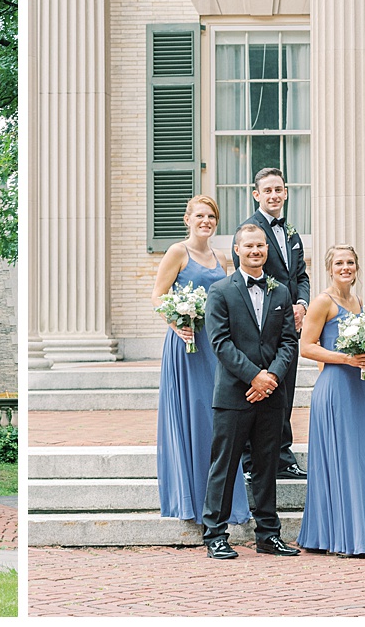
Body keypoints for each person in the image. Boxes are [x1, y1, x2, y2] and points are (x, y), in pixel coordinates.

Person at [198, 224, 300, 560]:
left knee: (267, 465)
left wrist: (270, 377)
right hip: (233, 394)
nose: (256, 251)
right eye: (249, 246)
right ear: (237, 250)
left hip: (272, 393)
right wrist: (254, 376)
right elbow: (220, 343)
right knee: (224, 466)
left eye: (261, 245)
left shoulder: (281, 292)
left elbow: (288, 342)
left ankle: (268, 535)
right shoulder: (221, 291)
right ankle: (215, 534)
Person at [294, 244, 365, 558]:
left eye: (350, 262)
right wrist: (344, 358)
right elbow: (307, 347)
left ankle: (363, 532)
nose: (345, 268)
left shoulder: (357, 302)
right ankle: (340, 536)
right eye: (339, 263)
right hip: (334, 388)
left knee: (361, 460)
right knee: (341, 460)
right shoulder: (322, 302)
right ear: (329, 268)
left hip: (356, 388)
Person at [151, 195, 247, 526]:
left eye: (211, 217)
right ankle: (190, 501)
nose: (205, 221)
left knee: (216, 417)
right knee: (191, 416)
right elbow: (157, 296)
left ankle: (220, 499)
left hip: (215, 346)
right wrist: (177, 322)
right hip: (186, 343)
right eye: (200, 216)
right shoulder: (178, 252)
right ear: (187, 219)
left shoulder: (222, 258)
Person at [232, 168, 308, 482]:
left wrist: (302, 304)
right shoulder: (248, 231)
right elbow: (245, 281)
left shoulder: (291, 232)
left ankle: (282, 456)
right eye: (268, 191)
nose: (274, 195)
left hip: (291, 326)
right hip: (262, 325)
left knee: (285, 390)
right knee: (260, 388)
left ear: (286, 192)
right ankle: (252, 460)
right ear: (257, 195)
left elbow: (300, 275)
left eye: (279, 189)